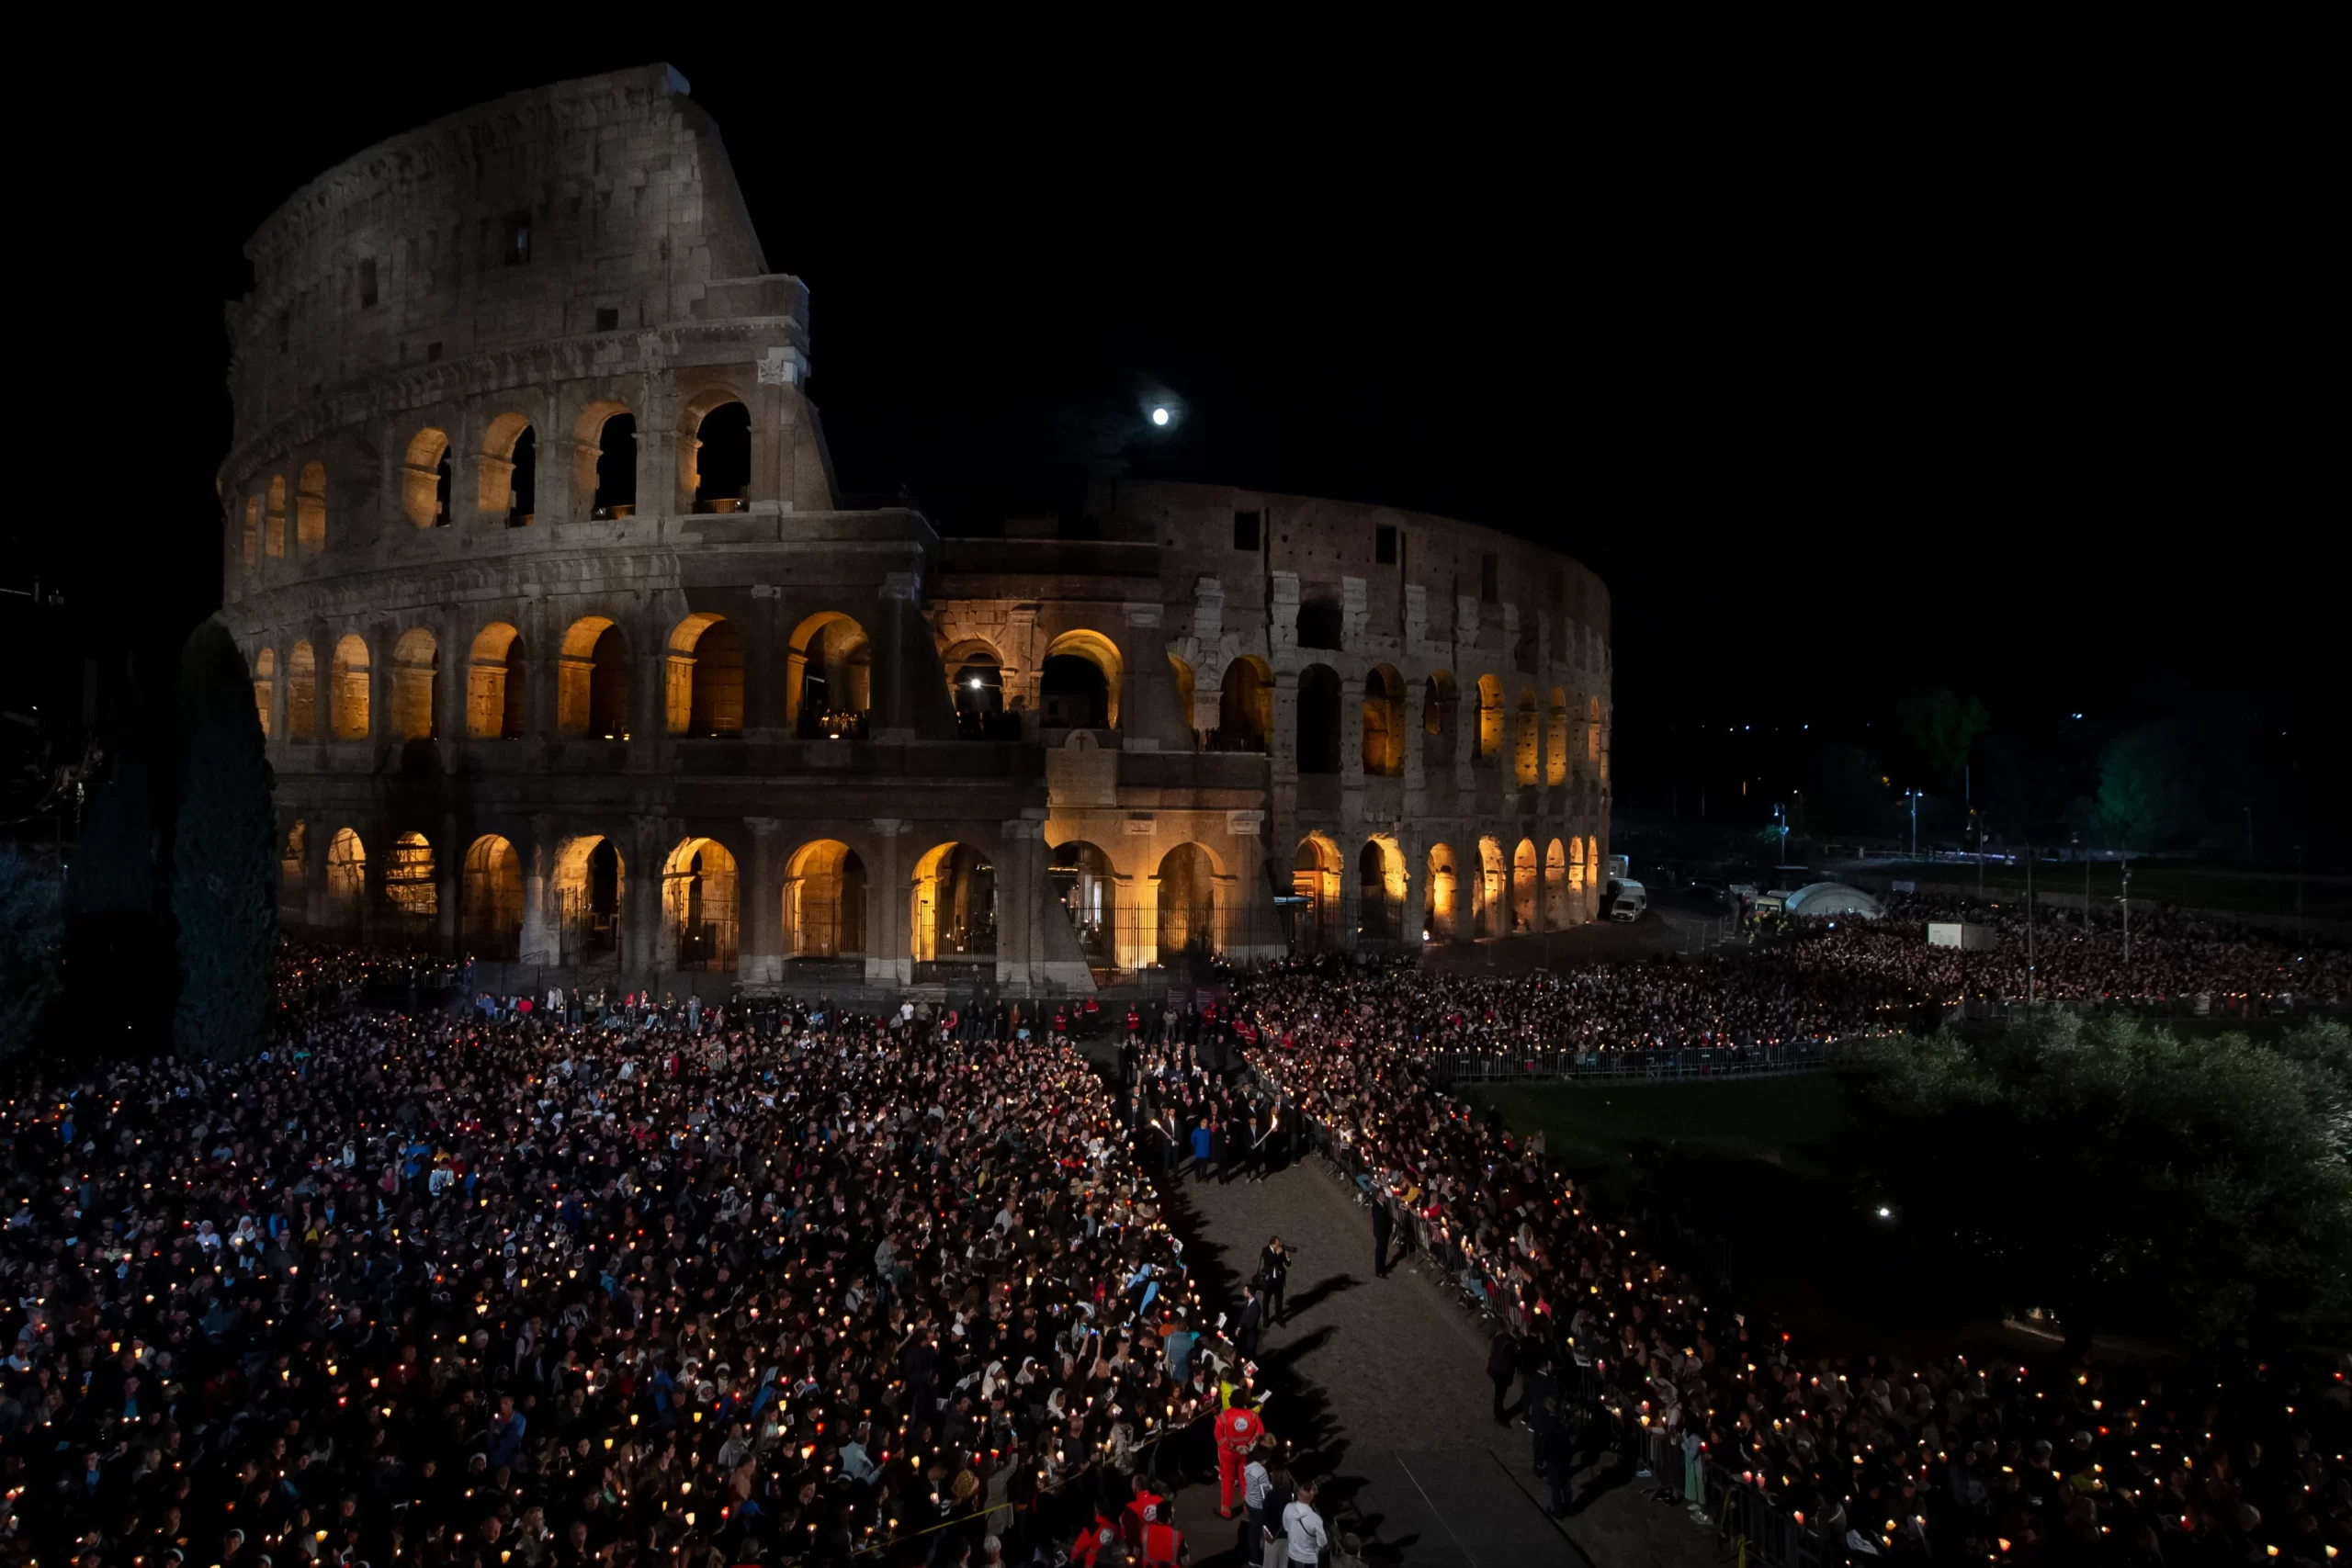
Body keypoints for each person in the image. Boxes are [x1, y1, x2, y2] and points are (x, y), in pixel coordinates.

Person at [1215, 1394, 1266, 1518]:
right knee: (1245, 1480)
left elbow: (1219, 1437)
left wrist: (1234, 1447)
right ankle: (1247, 1507)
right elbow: (1260, 1432)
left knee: (1227, 1480)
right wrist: (1249, 1445)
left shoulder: (1223, 1417)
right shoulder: (1252, 1415)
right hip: (1245, 1453)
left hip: (1228, 1454)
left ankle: (1226, 1509)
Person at [1281, 1480, 1329, 1567]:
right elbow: (1323, 1542)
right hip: (1309, 1561)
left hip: (1292, 1557)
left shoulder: (1288, 1507)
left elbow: (1286, 1527)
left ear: (1298, 1495)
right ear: (1312, 1497)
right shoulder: (1316, 1519)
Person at [1487, 1327, 1517, 1426]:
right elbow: (1510, 1364)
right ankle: (1499, 1416)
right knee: (1500, 1395)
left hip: (1494, 1368)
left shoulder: (1500, 1336)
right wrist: (1509, 1378)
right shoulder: (1510, 1344)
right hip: (1501, 1373)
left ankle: (1499, 1412)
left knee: (1498, 1394)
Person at [1259, 1236, 1290, 1324]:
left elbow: (1288, 1264)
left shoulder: (1280, 1250)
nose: (1279, 1245)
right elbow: (1269, 1262)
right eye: (1278, 1243)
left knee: (1279, 1301)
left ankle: (1279, 1319)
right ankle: (1266, 1320)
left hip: (1278, 1281)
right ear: (1273, 1244)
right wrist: (1277, 1254)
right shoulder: (1265, 1250)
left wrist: (1287, 1258)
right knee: (1266, 1301)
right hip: (1268, 1281)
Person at [1371, 1190, 1395, 1278]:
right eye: (1381, 1196)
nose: (1383, 1198)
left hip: (1385, 1232)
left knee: (1384, 1251)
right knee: (1380, 1252)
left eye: (1384, 1196)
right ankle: (1379, 1271)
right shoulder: (1376, 1206)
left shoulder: (1383, 1205)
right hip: (1381, 1232)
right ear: (1378, 1196)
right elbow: (1380, 1221)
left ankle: (1383, 1268)